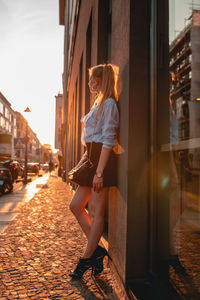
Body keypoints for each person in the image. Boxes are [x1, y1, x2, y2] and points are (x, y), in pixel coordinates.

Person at [69, 63, 120, 279]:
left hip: (101, 160)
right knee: (75, 205)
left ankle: (86, 258)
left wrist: (99, 172)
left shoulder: (109, 104)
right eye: (89, 78)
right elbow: (89, 139)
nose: (90, 82)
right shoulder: (98, 103)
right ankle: (97, 251)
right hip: (90, 158)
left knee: (98, 212)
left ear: (101, 79)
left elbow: (108, 140)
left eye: (92, 78)